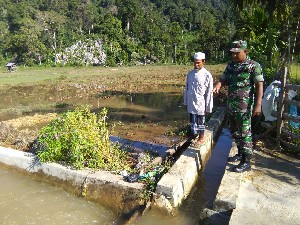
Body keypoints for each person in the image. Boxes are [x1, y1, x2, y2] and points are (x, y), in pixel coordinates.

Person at [213, 40, 264, 173]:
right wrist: (218, 86)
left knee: (245, 133)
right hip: (231, 105)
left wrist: (258, 104)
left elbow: (259, 85)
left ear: (245, 51)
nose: (234, 56)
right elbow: (223, 79)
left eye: (237, 53)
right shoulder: (231, 66)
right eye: (233, 53)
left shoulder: (253, 66)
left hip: (244, 107)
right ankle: (240, 153)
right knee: (234, 130)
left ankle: (246, 162)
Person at [184, 52, 213, 147]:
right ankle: (194, 135)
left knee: (201, 121)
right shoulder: (190, 74)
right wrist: (186, 101)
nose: (196, 65)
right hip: (191, 102)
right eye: (195, 62)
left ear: (203, 62)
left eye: (198, 63)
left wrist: (208, 107)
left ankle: (201, 137)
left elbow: (209, 92)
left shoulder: (207, 75)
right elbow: (187, 89)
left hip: (201, 103)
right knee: (192, 120)